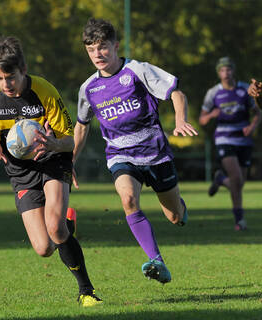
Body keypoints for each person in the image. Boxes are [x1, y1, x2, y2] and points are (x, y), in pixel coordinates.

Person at [0, 36, 102, 307]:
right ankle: (67, 222)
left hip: (52, 160)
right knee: (44, 248)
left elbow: (70, 140)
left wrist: (53, 144)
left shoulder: (44, 91)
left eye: (10, 77)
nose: (5, 84)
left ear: (23, 69)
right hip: (20, 170)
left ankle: (86, 291)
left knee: (55, 229)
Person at [73, 18, 198, 285]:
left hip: (156, 154)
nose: (98, 54)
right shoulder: (88, 89)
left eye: (103, 47)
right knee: (128, 199)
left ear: (116, 45)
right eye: (91, 49)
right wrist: (69, 161)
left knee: (175, 217)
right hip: (120, 156)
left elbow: (177, 94)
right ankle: (157, 261)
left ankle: (180, 209)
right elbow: (81, 127)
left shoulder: (137, 70)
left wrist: (180, 119)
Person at [199, 57, 262, 231]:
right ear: (218, 73)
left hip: (244, 139)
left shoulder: (244, 90)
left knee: (239, 183)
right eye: (222, 70)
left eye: (229, 70)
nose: (226, 74)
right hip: (224, 138)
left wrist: (252, 125)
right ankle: (240, 221)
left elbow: (258, 112)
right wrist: (211, 115)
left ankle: (220, 179)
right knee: (236, 178)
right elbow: (202, 120)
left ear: (233, 71)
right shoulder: (213, 93)